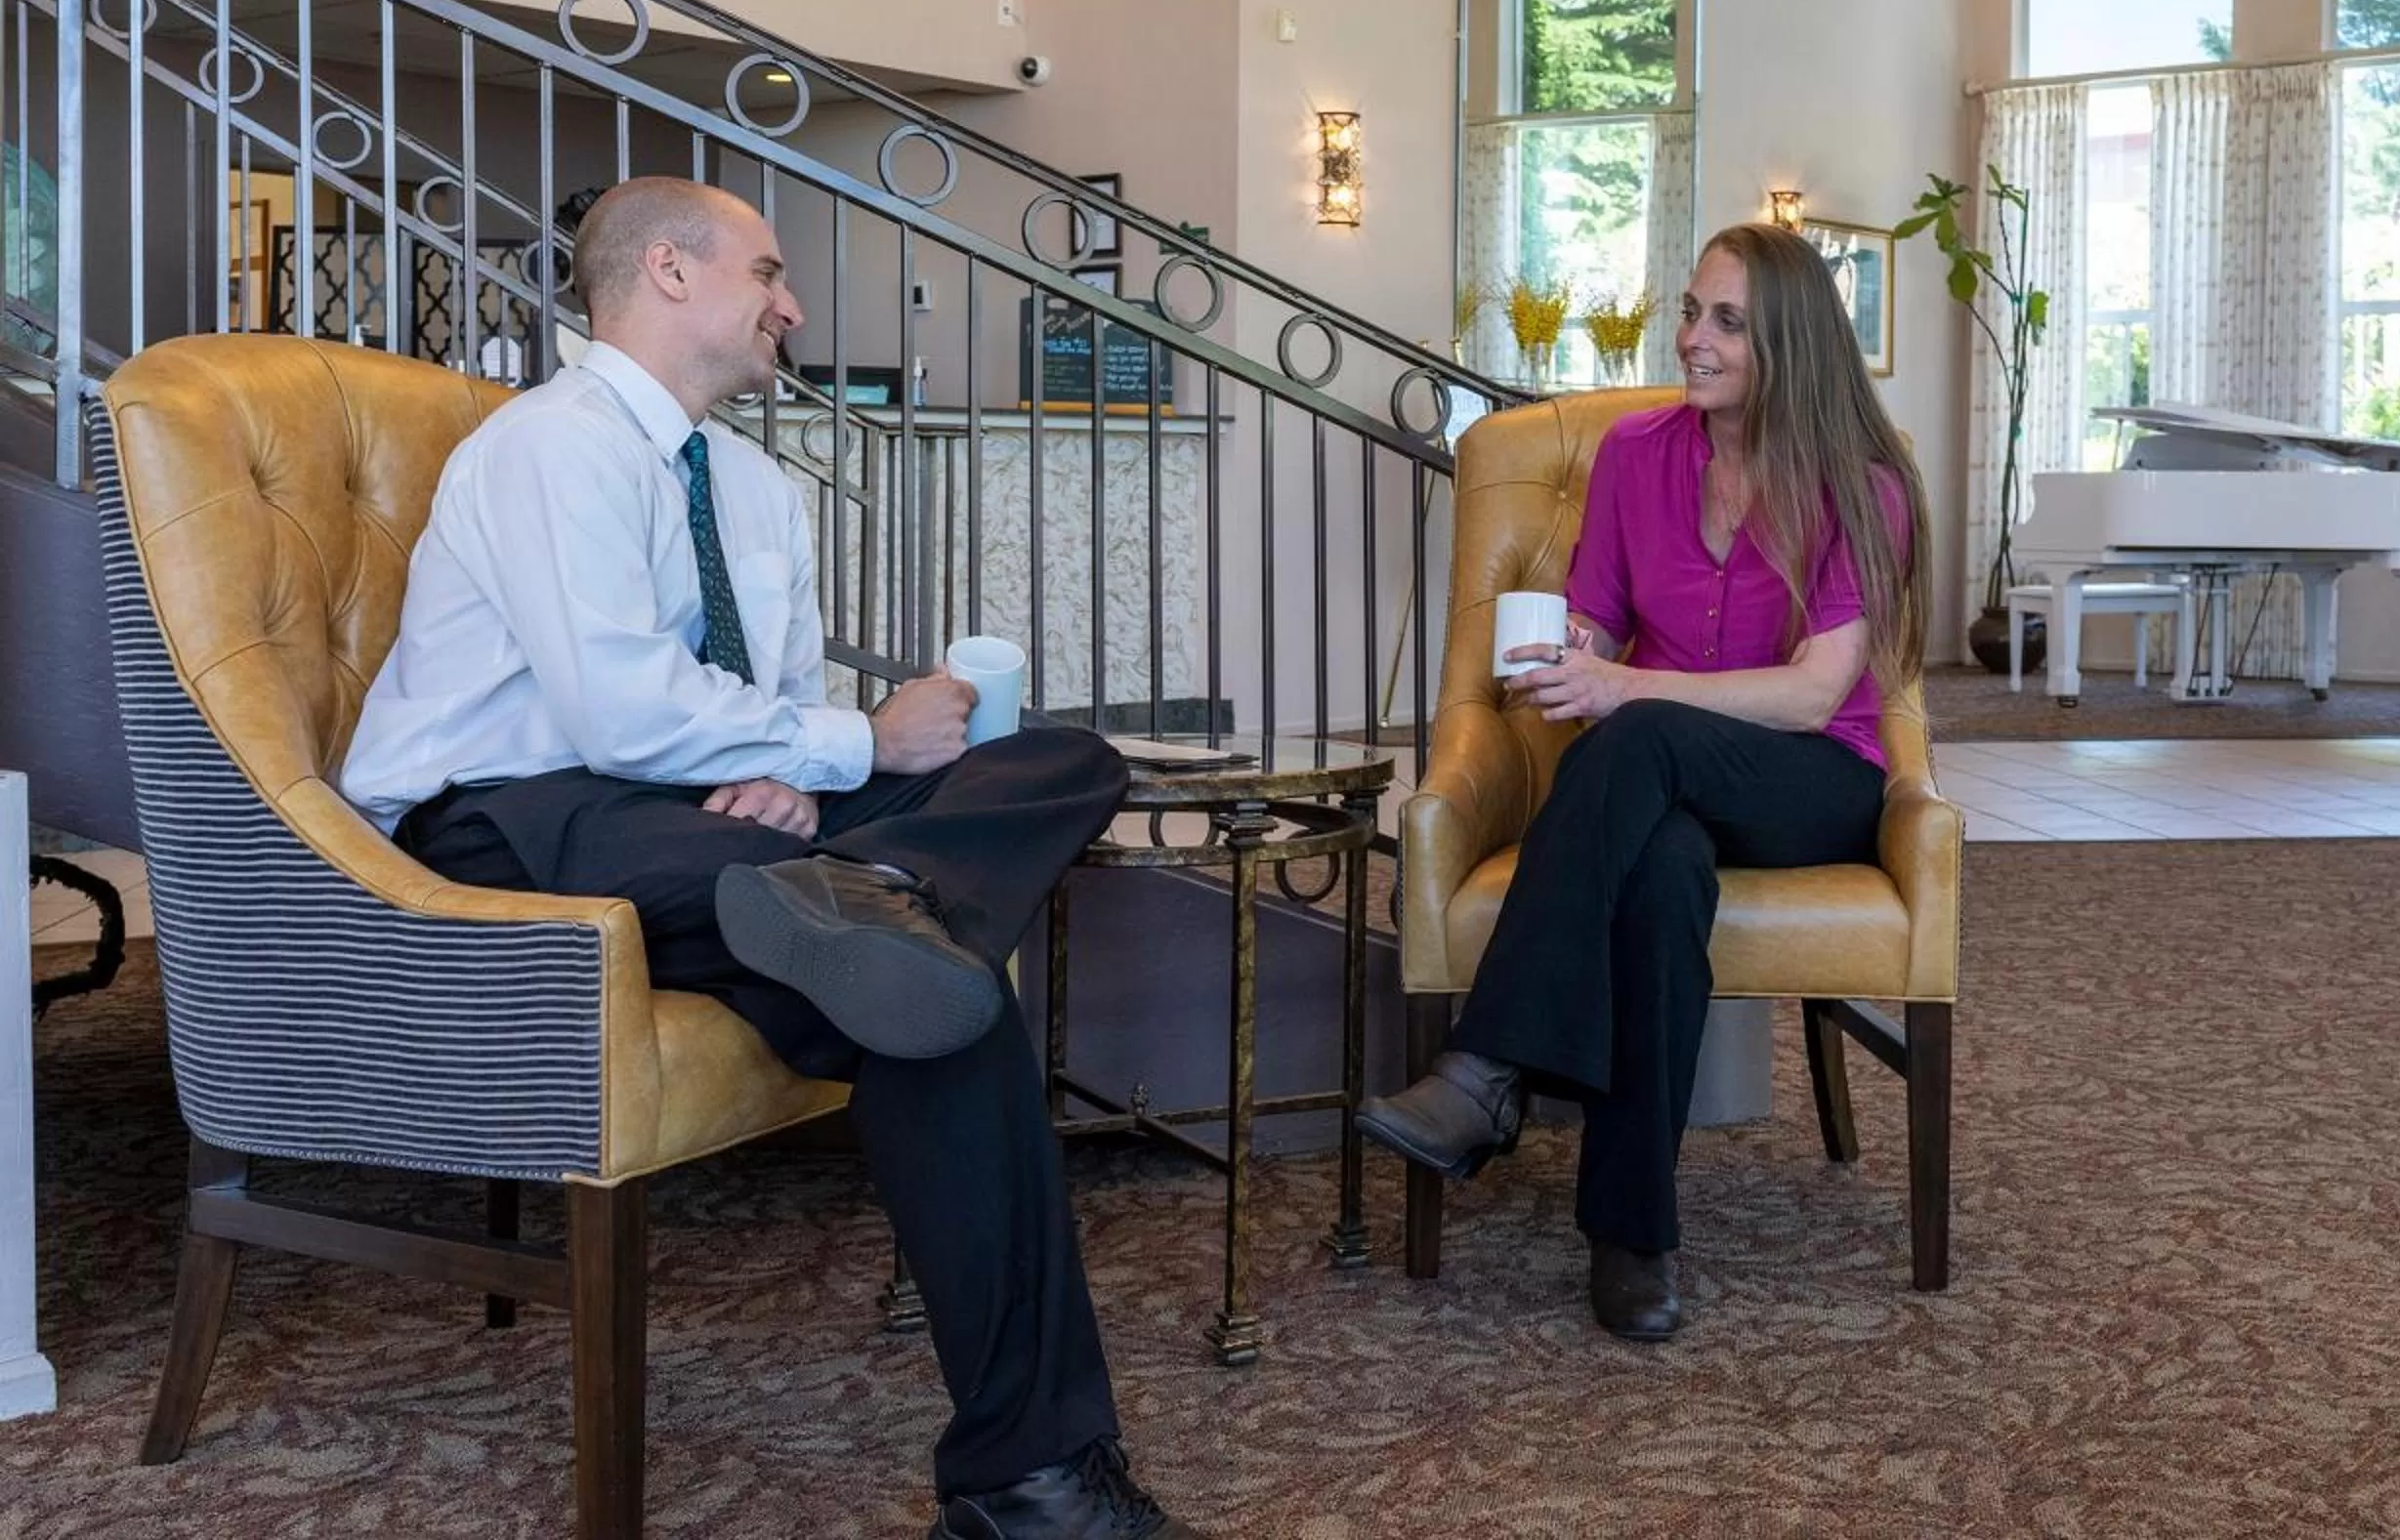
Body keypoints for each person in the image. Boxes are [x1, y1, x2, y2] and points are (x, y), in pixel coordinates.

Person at [340, 177, 1199, 1540]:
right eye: (767, 270)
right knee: (942, 997)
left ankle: (886, 895)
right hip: (513, 823)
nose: (791, 304)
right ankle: (1029, 1481)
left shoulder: (750, 482)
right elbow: (615, 714)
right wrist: (850, 744)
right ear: (669, 273)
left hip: (715, 832)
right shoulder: (548, 448)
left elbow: (774, 698)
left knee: (1065, 763)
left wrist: (786, 766)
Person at [1356, 221, 1930, 1342]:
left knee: (1641, 731)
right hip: (1662, 785)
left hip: (1811, 781)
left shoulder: (1863, 486)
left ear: (1790, 345)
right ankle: (1634, 1234)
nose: (1691, 339)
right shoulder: (1637, 458)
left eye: (1725, 322)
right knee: (1662, 877)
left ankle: (1488, 1065)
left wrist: (1631, 692)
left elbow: (1818, 694)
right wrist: (1570, 649)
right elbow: (1602, 617)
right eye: (1690, 310)